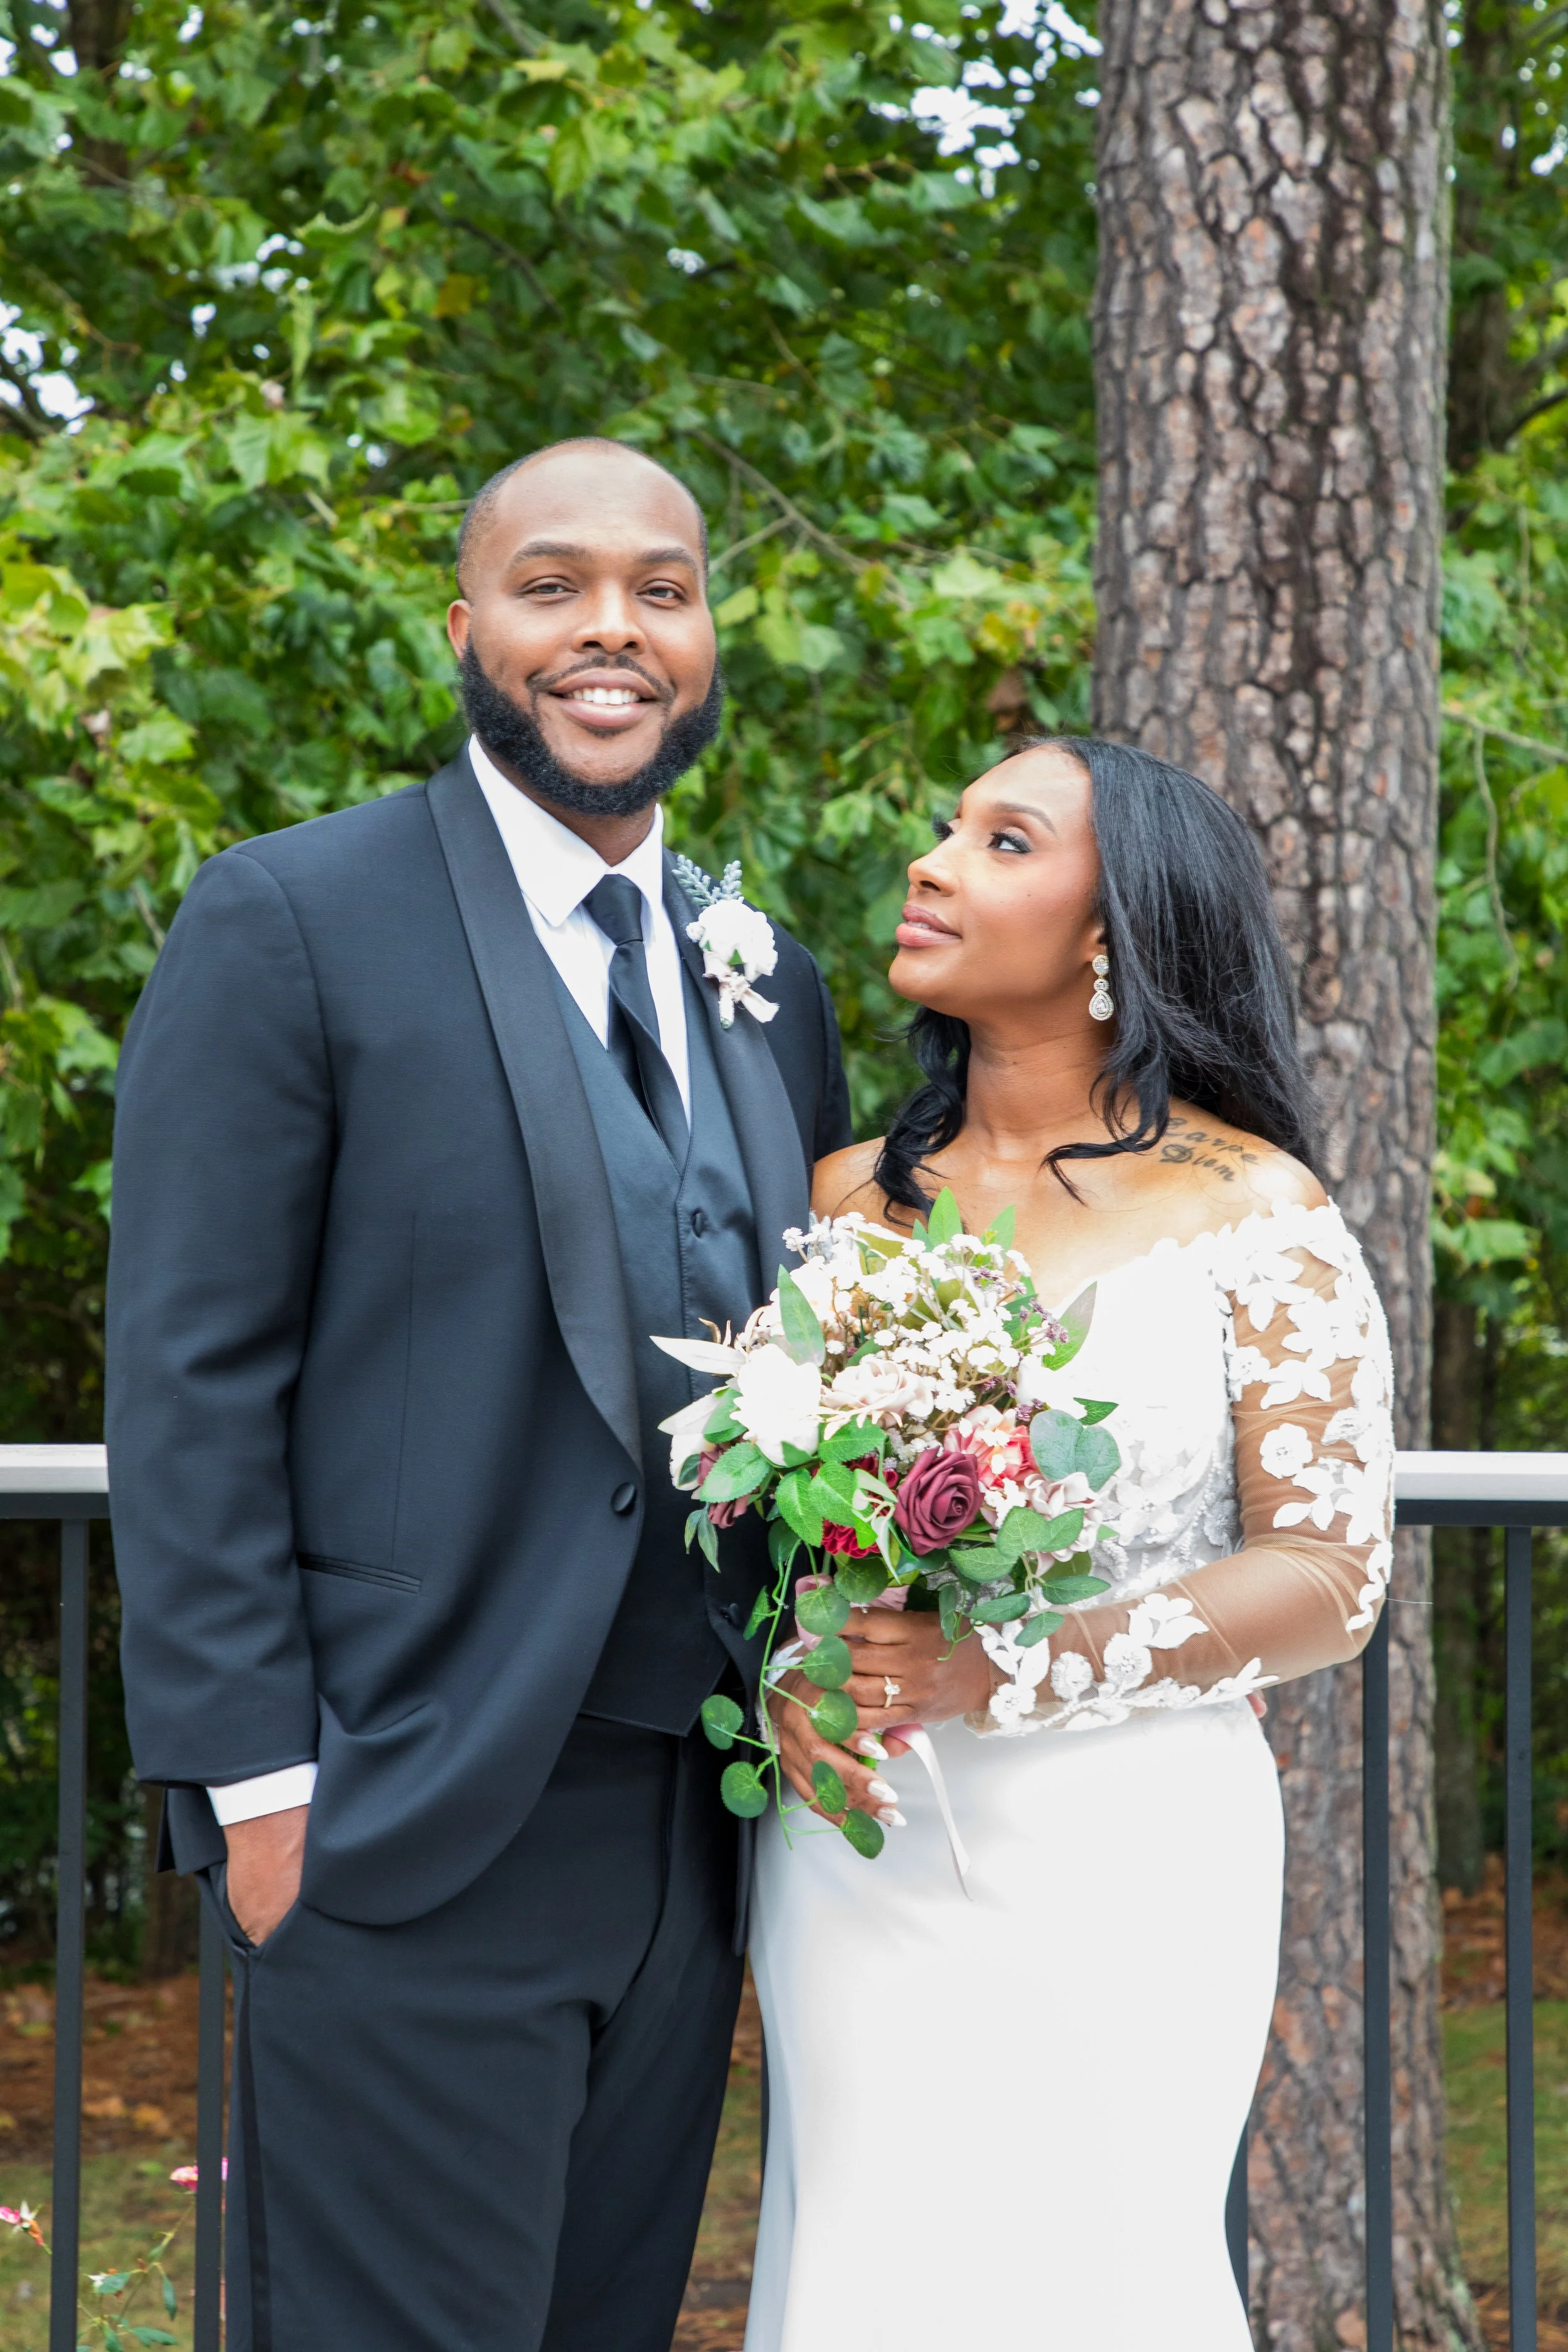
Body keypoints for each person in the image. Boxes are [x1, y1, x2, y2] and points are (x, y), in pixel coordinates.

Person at [105, 437, 851, 2352]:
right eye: (552, 584)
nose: (611, 627)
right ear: (466, 624)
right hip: (400, 1809)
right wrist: (260, 1796)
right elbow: (190, 1383)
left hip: (691, 1832)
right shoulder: (288, 919)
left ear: (707, 635)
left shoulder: (766, 977)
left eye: (661, 589)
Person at [744, 736, 1394, 2351]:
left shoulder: (1255, 1207)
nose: (933, 858)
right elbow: (792, 1529)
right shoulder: (837, 1202)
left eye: (1000, 839)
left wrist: (994, 1670)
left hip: (1131, 1845)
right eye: (943, 822)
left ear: (1111, 928)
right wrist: (791, 1677)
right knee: (865, 2263)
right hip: (863, 1842)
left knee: (1106, 2276)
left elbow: (1328, 1578)